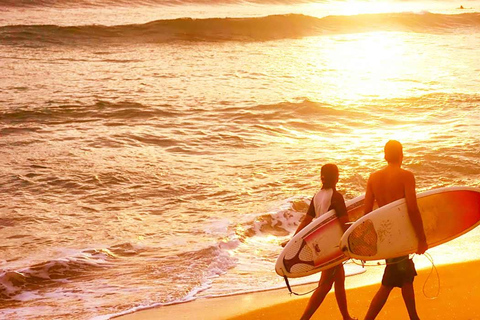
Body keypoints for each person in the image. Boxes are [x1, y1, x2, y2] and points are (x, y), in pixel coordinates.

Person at [363, 140, 428, 320]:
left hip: (385, 234)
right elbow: (412, 209)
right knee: (390, 281)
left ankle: (414, 317)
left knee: (404, 275)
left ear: (385, 155)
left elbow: (366, 213)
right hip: (401, 234)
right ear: (402, 155)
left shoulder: (373, 177)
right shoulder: (406, 176)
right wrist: (421, 238)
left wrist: (367, 241)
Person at [283, 164, 356, 320]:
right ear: (336, 177)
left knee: (339, 280)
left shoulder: (317, 196)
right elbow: (344, 223)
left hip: (321, 245)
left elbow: (307, 221)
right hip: (333, 245)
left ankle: (346, 317)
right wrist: (353, 242)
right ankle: (304, 318)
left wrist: (293, 240)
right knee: (325, 285)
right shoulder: (336, 197)